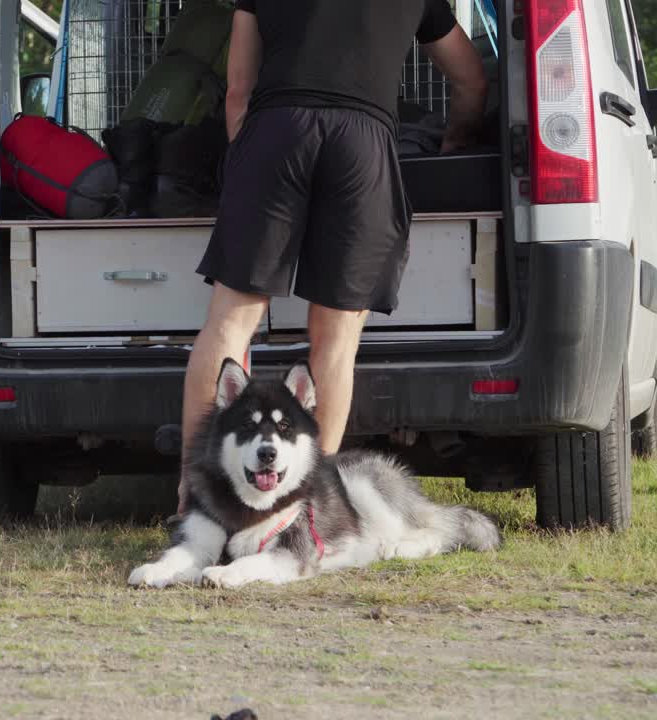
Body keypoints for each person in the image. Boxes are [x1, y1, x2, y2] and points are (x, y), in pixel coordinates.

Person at [176, 0, 489, 514]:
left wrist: (247, 167)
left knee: (230, 323)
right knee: (337, 338)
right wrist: (456, 138)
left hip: (275, 131)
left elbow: (238, 90)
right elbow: (471, 78)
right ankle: (308, 506)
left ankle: (196, 497)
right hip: (362, 143)